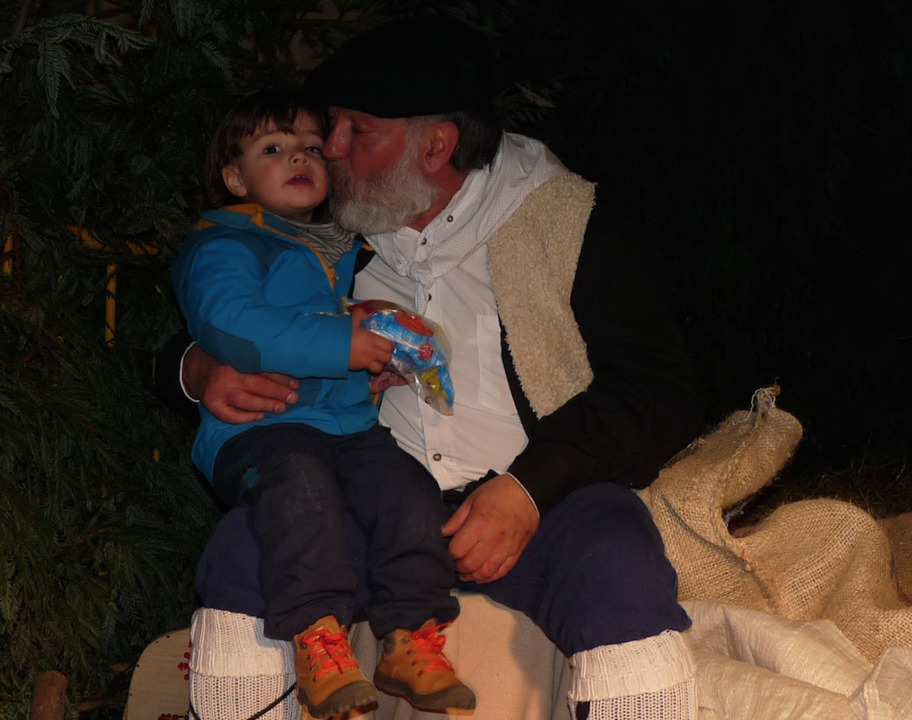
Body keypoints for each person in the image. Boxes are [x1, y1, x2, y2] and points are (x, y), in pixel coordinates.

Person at [158, 16, 706, 720]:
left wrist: (529, 490)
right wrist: (194, 369)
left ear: (436, 145)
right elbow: (217, 305)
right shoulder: (329, 231)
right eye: (332, 128)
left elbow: (660, 393)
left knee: (619, 562)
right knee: (244, 554)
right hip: (369, 496)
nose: (330, 149)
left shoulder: (574, 225)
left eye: (356, 131)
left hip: (544, 500)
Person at [170, 87, 475, 719]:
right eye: (273, 148)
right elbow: (234, 325)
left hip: (347, 427)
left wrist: (377, 351)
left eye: (312, 147)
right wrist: (344, 344)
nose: (299, 158)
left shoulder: (333, 246)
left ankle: (410, 636)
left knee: (409, 493)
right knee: (302, 492)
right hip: (260, 431)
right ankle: (318, 640)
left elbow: (322, 323)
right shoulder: (223, 243)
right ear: (235, 178)